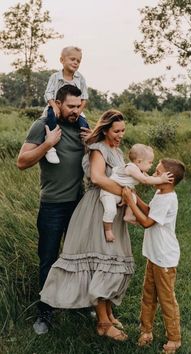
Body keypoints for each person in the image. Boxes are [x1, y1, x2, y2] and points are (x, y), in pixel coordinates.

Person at [40, 109, 134, 341]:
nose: (121, 134)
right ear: (105, 129)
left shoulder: (117, 150)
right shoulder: (98, 149)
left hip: (114, 212)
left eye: (123, 130)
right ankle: (102, 323)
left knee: (112, 259)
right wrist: (126, 193)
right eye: (116, 131)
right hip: (97, 209)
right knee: (101, 260)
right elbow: (97, 178)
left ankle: (109, 314)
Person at [17, 85, 91, 335]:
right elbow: (21, 162)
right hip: (52, 206)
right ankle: (45, 313)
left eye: (78, 105)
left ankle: (79, 304)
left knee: (78, 257)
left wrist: (88, 145)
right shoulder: (43, 126)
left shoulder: (82, 127)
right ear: (57, 104)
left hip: (79, 203)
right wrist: (48, 144)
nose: (75, 110)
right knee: (48, 260)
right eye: (70, 106)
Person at [122, 158, 185, 353]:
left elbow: (148, 222)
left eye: (157, 173)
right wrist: (136, 197)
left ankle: (174, 338)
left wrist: (130, 204)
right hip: (153, 255)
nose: (152, 176)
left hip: (164, 258)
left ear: (169, 179)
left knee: (166, 299)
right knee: (148, 296)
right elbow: (150, 210)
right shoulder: (160, 192)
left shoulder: (169, 198)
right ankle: (146, 331)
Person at [100, 143, 174, 242]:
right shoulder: (131, 168)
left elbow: (149, 178)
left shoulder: (140, 170)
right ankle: (108, 230)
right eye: (150, 162)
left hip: (121, 193)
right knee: (111, 210)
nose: (151, 165)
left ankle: (128, 216)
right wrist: (161, 179)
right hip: (109, 193)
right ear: (139, 161)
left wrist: (158, 179)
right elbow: (145, 180)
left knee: (133, 197)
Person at [44, 46, 89, 164]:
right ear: (62, 60)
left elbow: (84, 97)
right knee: (50, 117)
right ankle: (50, 147)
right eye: (72, 59)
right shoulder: (55, 77)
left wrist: (79, 110)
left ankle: (88, 146)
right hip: (55, 105)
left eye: (78, 61)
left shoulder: (80, 78)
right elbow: (48, 93)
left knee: (84, 123)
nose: (75, 62)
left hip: (75, 108)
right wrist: (54, 106)